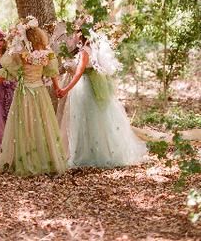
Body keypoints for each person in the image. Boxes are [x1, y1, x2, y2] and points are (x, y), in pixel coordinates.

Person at [0, 17, 67, 177]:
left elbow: (6, 73)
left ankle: (24, 159)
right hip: (39, 93)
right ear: (39, 37)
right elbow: (53, 73)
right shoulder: (47, 54)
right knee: (42, 125)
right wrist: (58, 89)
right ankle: (44, 159)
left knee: (25, 126)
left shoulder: (21, 54)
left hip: (24, 93)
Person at [56, 16, 147, 168]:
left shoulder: (85, 51)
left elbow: (79, 73)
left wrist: (65, 89)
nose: (74, 35)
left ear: (81, 33)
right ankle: (84, 149)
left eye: (76, 32)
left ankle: (89, 152)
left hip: (84, 87)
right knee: (86, 120)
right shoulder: (85, 48)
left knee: (87, 119)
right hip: (86, 85)